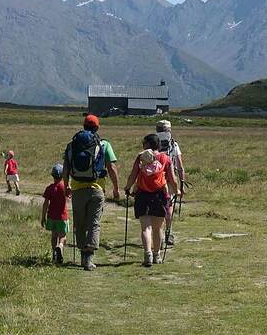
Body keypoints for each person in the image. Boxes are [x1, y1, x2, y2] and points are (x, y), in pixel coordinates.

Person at [62, 114, 120, 271]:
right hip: (97, 189)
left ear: (83, 126)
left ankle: (82, 254)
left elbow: (66, 167)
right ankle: (89, 257)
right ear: (97, 127)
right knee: (94, 223)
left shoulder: (71, 145)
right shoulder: (104, 144)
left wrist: (66, 185)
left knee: (79, 223)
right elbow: (112, 168)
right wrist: (116, 188)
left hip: (77, 189)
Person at [125, 134, 178, 267]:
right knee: (158, 228)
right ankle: (157, 255)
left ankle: (147, 254)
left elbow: (133, 175)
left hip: (143, 195)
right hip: (160, 195)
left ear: (148, 144)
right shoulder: (165, 158)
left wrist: (127, 187)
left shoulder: (141, 156)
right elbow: (172, 179)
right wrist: (176, 190)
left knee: (145, 227)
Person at [156, 120, 186, 246]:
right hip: (170, 180)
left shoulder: (153, 142)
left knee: (157, 208)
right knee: (169, 207)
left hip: (155, 180)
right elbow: (179, 166)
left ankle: (159, 236)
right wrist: (182, 183)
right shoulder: (174, 145)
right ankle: (168, 234)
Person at [41, 163, 69, 264]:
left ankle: (54, 254)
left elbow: (45, 204)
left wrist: (43, 217)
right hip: (62, 216)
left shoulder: (49, 188)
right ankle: (60, 246)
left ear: (52, 175)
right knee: (63, 236)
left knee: (54, 236)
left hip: (51, 217)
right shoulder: (64, 188)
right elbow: (71, 197)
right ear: (62, 176)